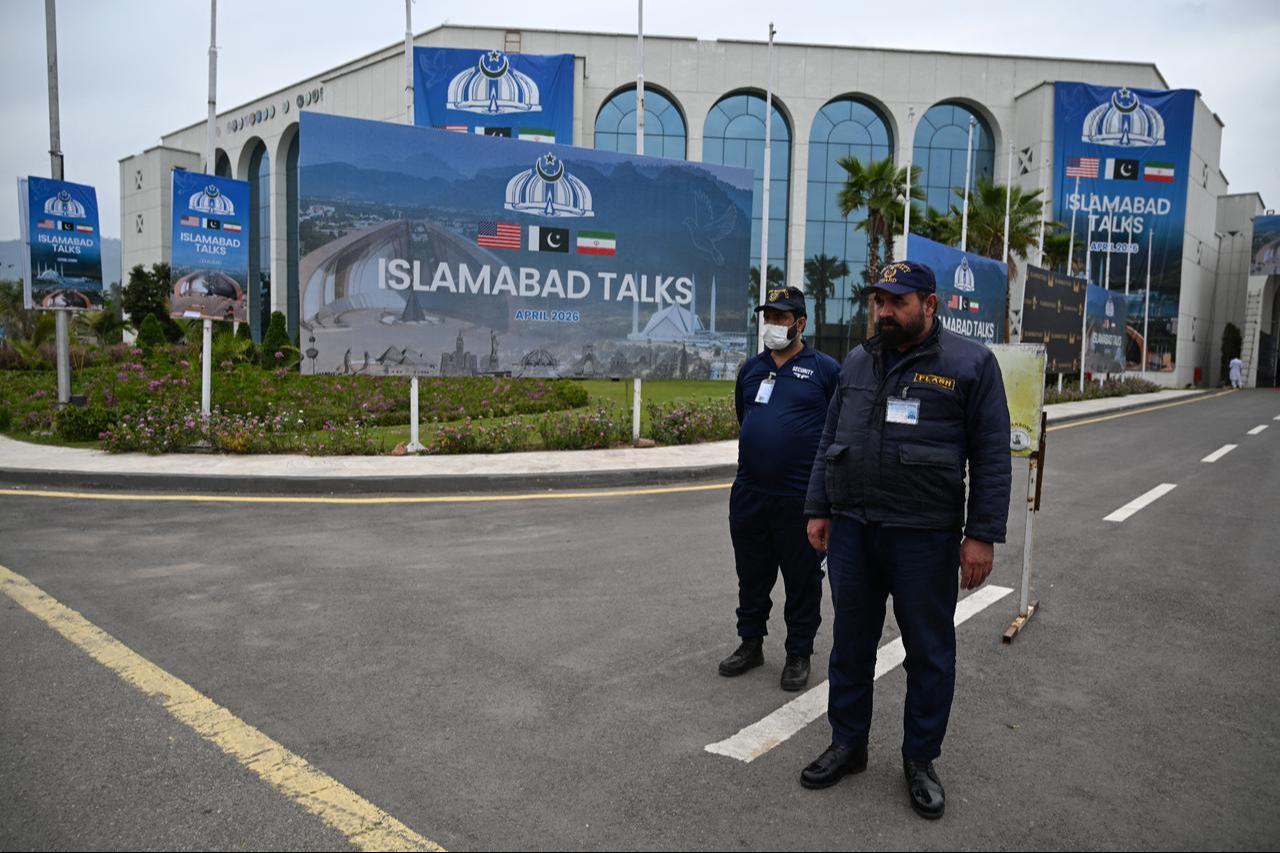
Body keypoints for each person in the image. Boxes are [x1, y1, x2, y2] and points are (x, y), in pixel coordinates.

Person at [798, 261, 1011, 820]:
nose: (885, 312)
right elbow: (830, 438)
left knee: (929, 653)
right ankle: (848, 744)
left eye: (897, 302)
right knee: (850, 645)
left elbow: (991, 455)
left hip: (924, 535)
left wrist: (981, 535)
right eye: (879, 301)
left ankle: (920, 760)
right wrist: (819, 508)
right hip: (853, 529)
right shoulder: (858, 360)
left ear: (930, 305)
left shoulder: (970, 364)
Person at [720, 286, 840, 691]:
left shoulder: (825, 370)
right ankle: (750, 643)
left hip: (800, 498)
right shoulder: (751, 370)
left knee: (802, 580)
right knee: (751, 575)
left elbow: (837, 429)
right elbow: (746, 417)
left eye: (781, 318)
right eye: (768, 317)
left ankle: (798, 653)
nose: (772, 324)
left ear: (800, 323)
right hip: (750, 494)